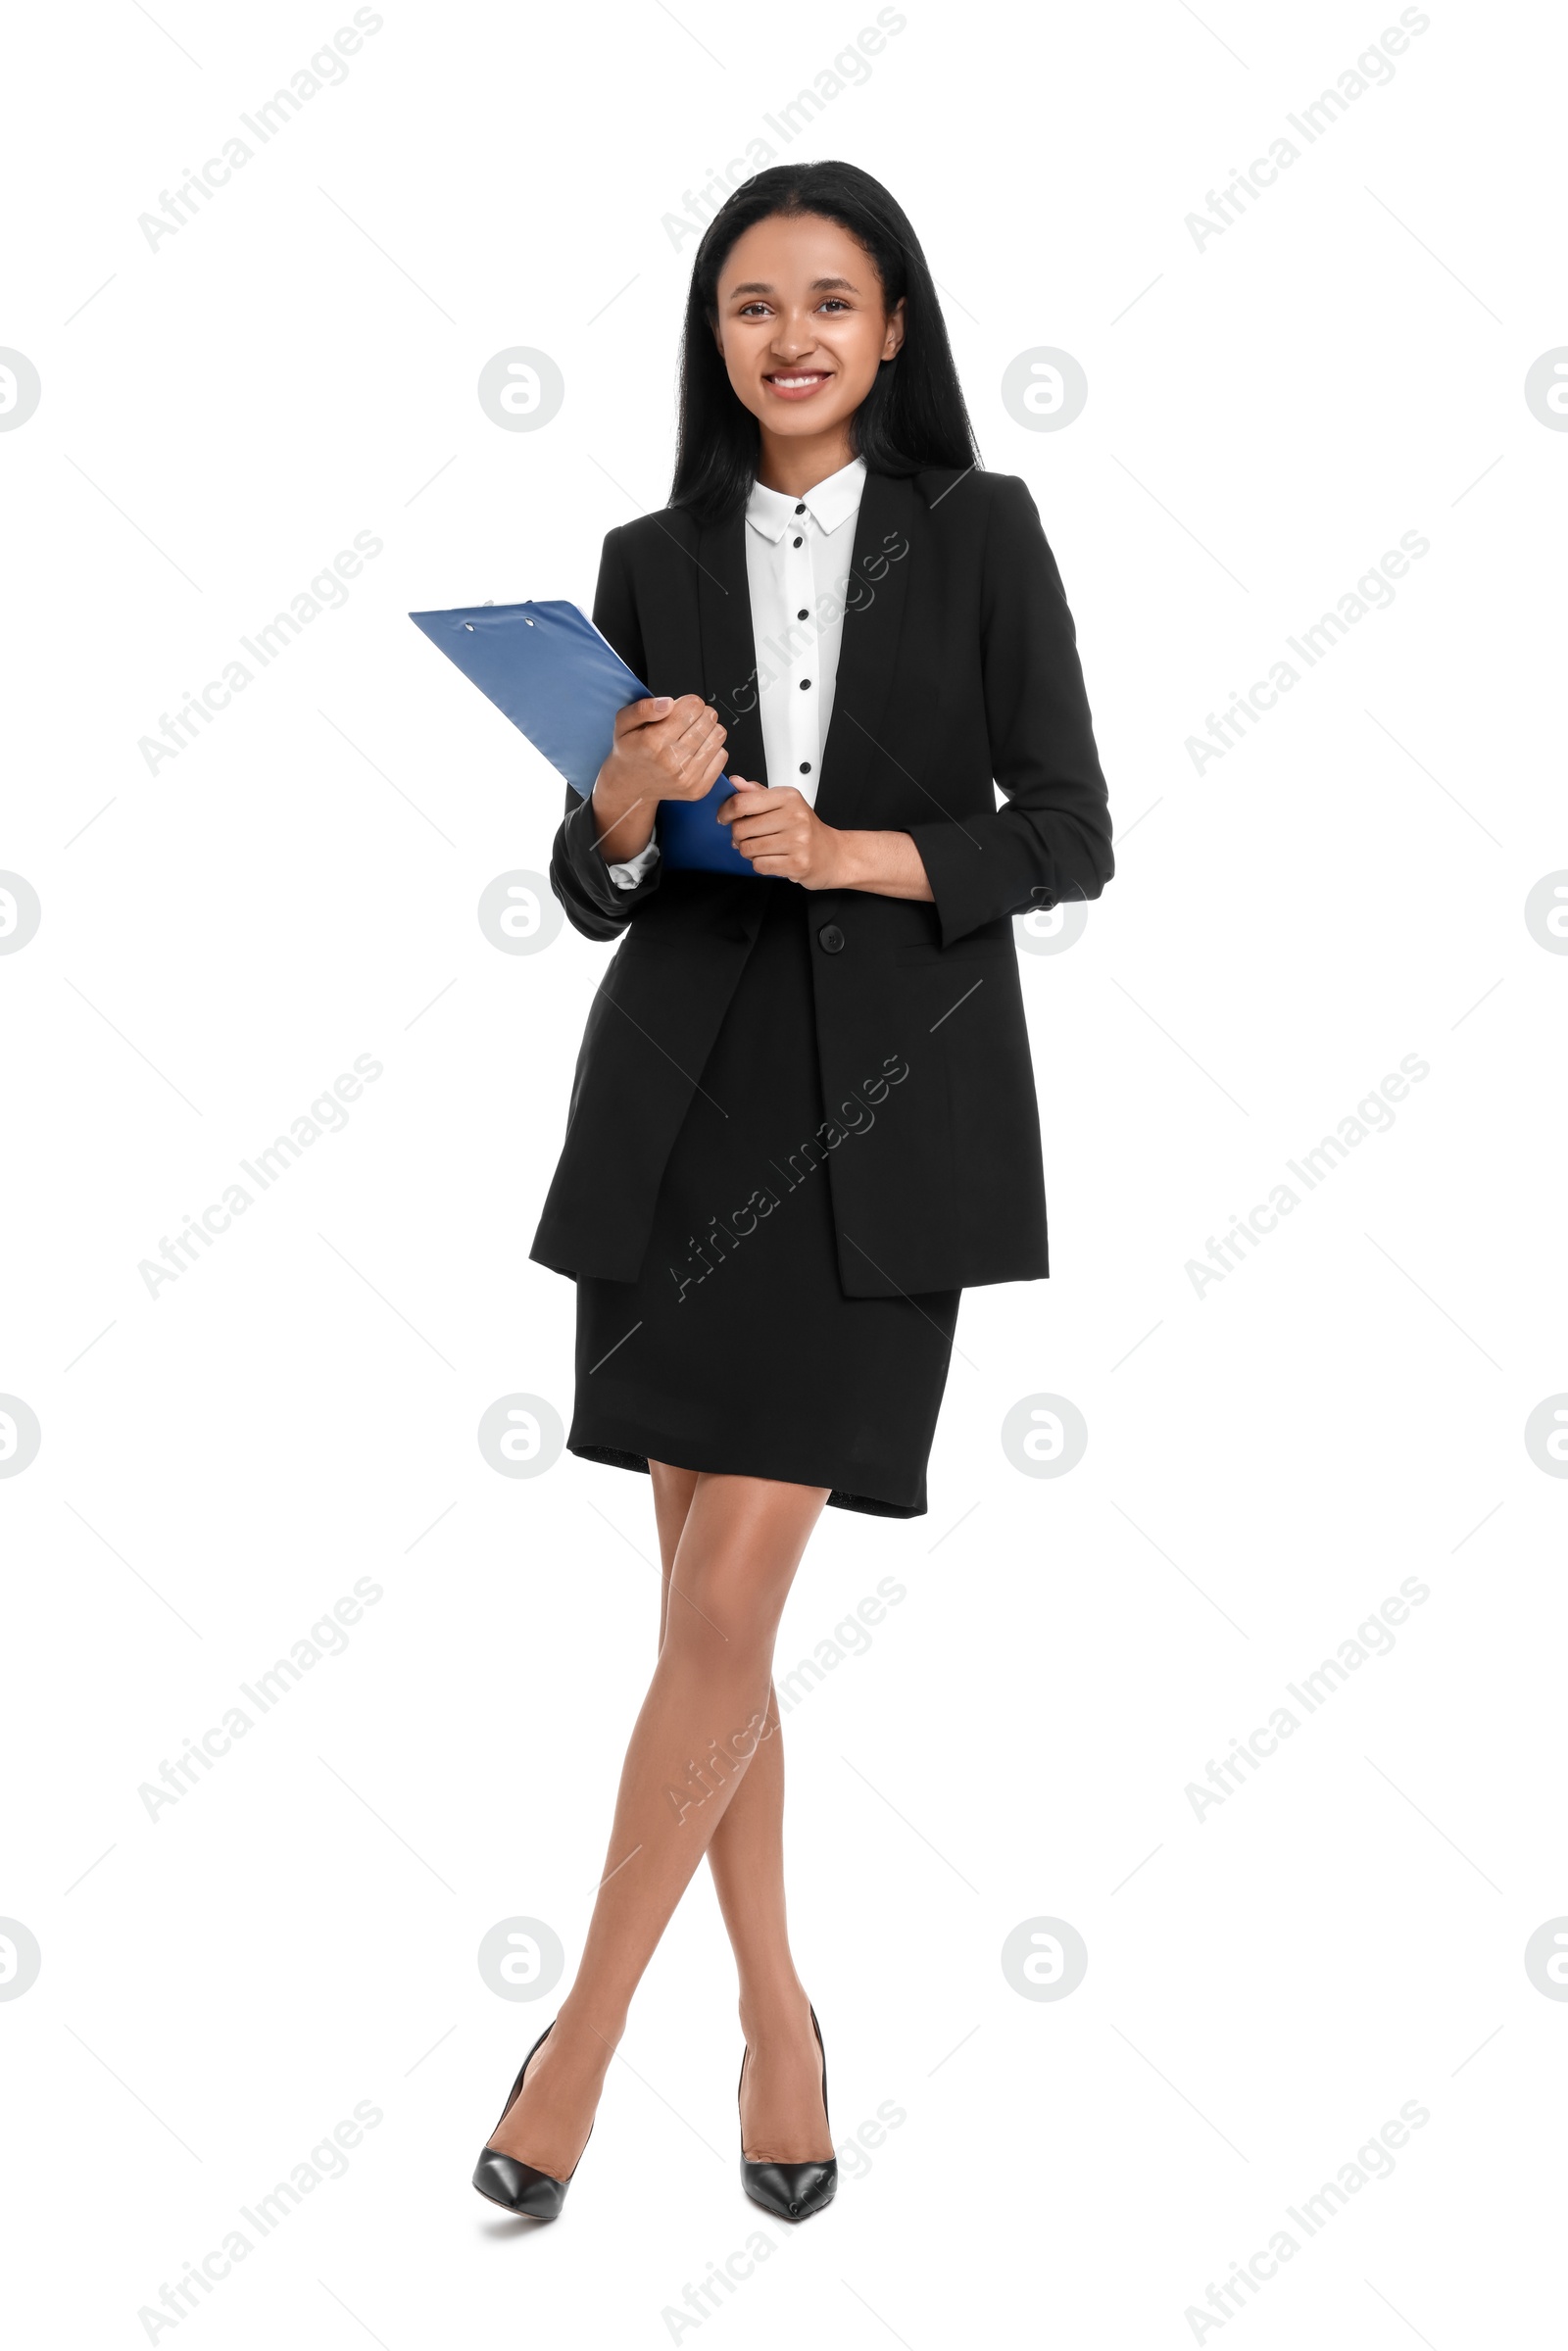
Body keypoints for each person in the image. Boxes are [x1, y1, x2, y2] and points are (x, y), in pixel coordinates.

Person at [472, 160, 1113, 2226]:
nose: (792, 336)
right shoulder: (646, 556)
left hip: (882, 1128)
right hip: (680, 1109)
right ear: (714, 337)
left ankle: (578, 2039)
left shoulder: (981, 531)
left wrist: (856, 854)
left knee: (727, 1603)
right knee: (702, 1626)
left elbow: (1073, 831)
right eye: (752, 304)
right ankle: (773, 2017)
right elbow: (594, 896)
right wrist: (619, 812)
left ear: (896, 327)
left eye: (831, 300)